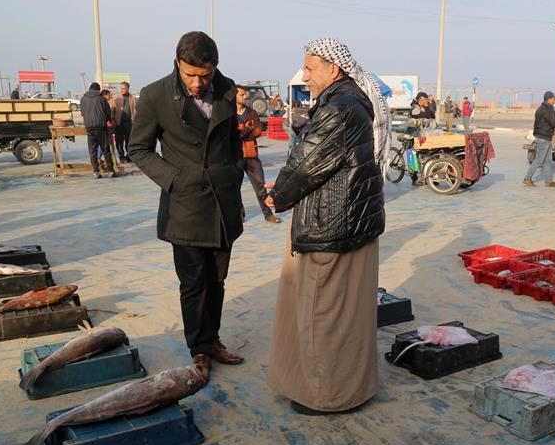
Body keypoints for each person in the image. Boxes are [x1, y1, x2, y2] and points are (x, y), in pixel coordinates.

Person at [266, 37, 389, 415]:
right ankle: (339, 388)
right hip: (348, 222)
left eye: (309, 68)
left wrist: (278, 196)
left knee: (323, 314)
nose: (304, 76)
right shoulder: (350, 100)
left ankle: (326, 397)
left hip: (333, 226)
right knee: (343, 315)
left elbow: (308, 161)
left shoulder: (339, 106)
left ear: (332, 69)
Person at [128, 31, 246, 373]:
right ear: (177, 64)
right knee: (193, 281)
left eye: (204, 75)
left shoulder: (226, 88)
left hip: (222, 203)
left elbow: (232, 140)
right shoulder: (155, 95)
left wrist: (234, 174)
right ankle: (199, 349)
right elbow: (138, 149)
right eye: (190, 74)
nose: (197, 82)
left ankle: (213, 339)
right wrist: (174, 180)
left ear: (215, 68)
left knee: (217, 279)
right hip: (185, 205)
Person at [236, 84, 280, 224]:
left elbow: (257, 131)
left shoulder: (252, 112)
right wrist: (247, 129)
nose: (246, 96)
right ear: (234, 96)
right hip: (235, 156)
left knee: (261, 187)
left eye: (246, 94)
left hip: (252, 156)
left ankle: (268, 214)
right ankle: (239, 215)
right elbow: (230, 134)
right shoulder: (229, 113)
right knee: (234, 188)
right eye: (242, 94)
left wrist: (242, 131)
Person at [524, 91, 555, 187]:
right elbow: (554, 123)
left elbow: (536, 124)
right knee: (539, 160)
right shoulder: (548, 109)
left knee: (548, 160)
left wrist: (536, 134)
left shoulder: (540, 109)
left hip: (543, 137)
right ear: (549, 99)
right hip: (544, 138)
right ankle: (527, 178)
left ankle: (549, 181)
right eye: (554, 99)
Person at [79, 82, 113, 179]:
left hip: (89, 128)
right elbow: (108, 113)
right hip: (101, 127)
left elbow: (82, 112)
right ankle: (110, 171)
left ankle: (96, 172)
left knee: (93, 150)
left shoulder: (83, 99)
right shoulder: (102, 98)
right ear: (98, 90)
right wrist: (107, 120)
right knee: (105, 149)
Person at [112, 81, 137, 163]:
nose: (122, 90)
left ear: (128, 88)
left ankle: (129, 155)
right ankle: (121, 156)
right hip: (118, 123)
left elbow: (136, 110)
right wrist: (113, 121)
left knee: (129, 141)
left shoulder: (132, 98)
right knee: (119, 141)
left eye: (123, 88)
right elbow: (112, 110)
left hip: (129, 123)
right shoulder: (116, 97)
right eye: (121, 88)